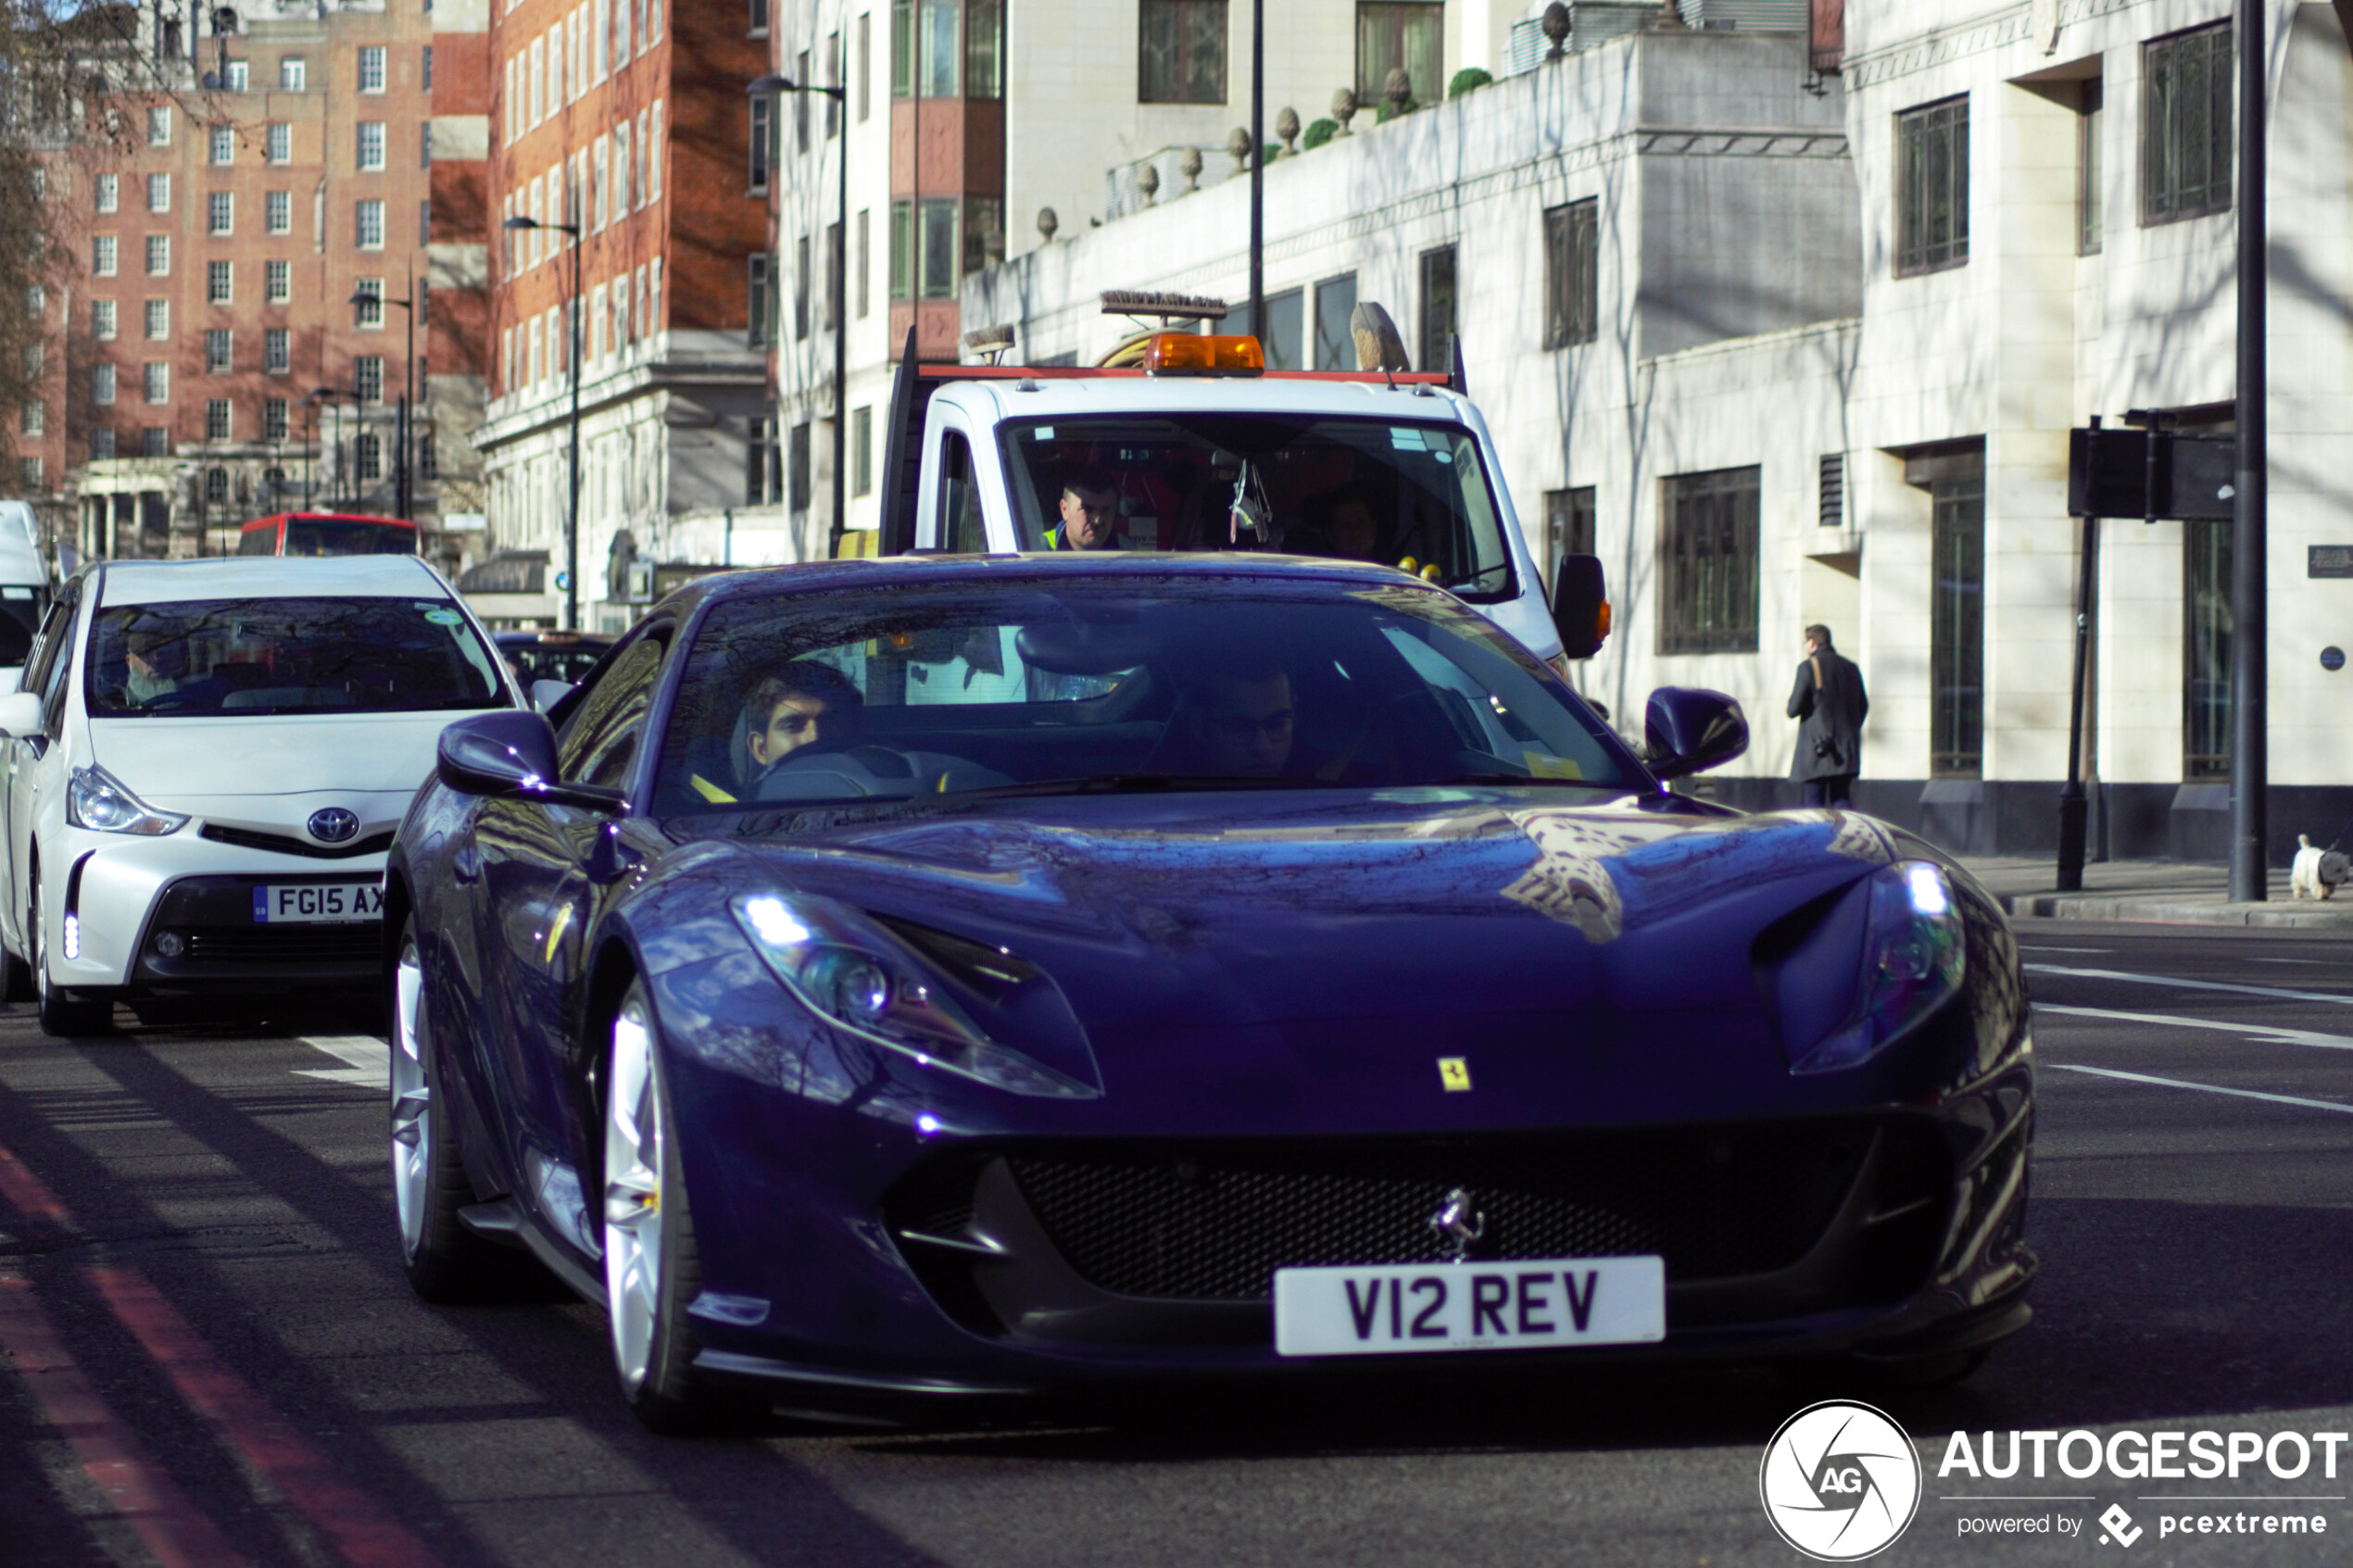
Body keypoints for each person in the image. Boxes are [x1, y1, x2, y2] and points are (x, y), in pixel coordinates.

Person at [1788, 622, 1868, 809]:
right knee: (1842, 800)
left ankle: (1819, 839)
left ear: (1813, 643)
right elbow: (1862, 706)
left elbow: (1793, 709)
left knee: (1814, 807)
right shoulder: (1851, 668)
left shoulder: (1808, 667)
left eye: (1806, 642)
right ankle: (1847, 837)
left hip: (1818, 750)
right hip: (1845, 750)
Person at [1176, 659, 1297, 778]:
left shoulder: (1313, 783)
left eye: (1278, 725)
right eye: (1240, 728)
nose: (1263, 747)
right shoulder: (1168, 789)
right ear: (1200, 727)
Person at [1044, 469, 1125, 550]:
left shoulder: (1131, 551)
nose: (1098, 520)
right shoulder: (1039, 549)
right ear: (1065, 509)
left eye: (1106, 510)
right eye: (1087, 509)